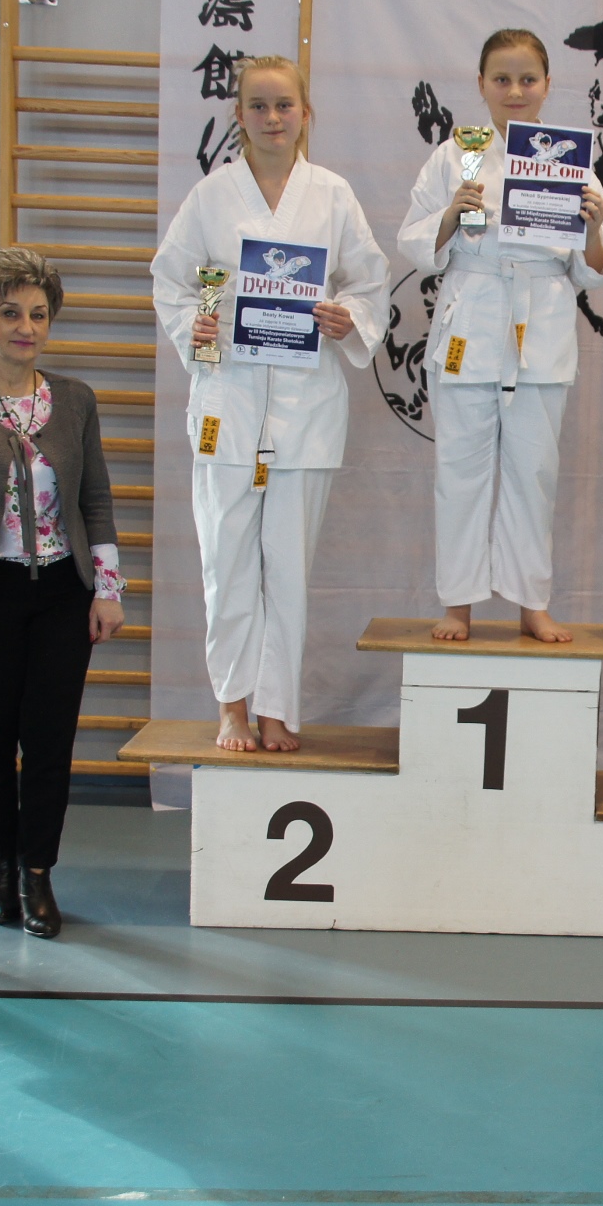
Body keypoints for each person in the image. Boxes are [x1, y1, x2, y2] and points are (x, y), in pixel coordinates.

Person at [154, 55, 388, 752]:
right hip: (227, 399)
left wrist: (348, 317)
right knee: (226, 563)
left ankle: (278, 710)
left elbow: (369, 282)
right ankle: (232, 705)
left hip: (305, 405)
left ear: (305, 113)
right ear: (239, 117)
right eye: (257, 105)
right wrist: (192, 328)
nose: (272, 117)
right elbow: (172, 280)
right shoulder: (211, 197)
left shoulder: (332, 195)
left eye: (284, 104)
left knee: (287, 568)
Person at [0, 247, 125, 940]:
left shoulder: (75, 400)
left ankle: (37, 871)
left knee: (48, 744)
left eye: (38, 314)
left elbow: (95, 499)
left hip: (63, 594)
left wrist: (106, 589)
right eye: (10, 313)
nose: (25, 327)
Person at [396, 28, 603, 645]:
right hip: (470, 318)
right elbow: (413, 240)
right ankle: (458, 604)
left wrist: (592, 227)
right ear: (481, 85)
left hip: (541, 325)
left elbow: (598, 269)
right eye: (502, 79)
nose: (515, 91)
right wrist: (450, 213)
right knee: (459, 470)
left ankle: (531, 603)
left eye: (527, 79)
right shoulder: (454, 155)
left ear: (547, 85)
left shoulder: (573, 160)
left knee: (533, 472)